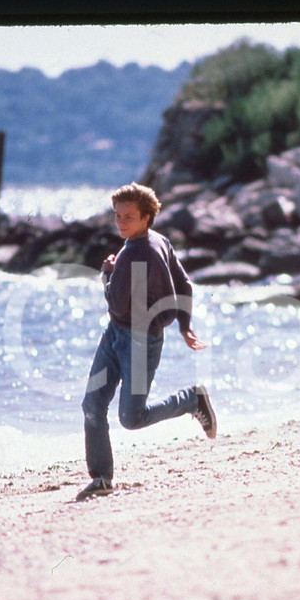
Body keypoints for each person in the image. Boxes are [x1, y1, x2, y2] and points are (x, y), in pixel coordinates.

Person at [77, 182, 216, 500]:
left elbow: (115, 303)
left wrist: (107, 273)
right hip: (116, 335)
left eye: (128, 217)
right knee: (92, 405)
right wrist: (184, 326)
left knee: (131, 417)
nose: (121, 223)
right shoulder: (156, 241)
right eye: (117, 216)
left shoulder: (138, 255)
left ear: (146, 217)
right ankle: (101, 478)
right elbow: (184, 284)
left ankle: (192, 400)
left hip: (139, 342)